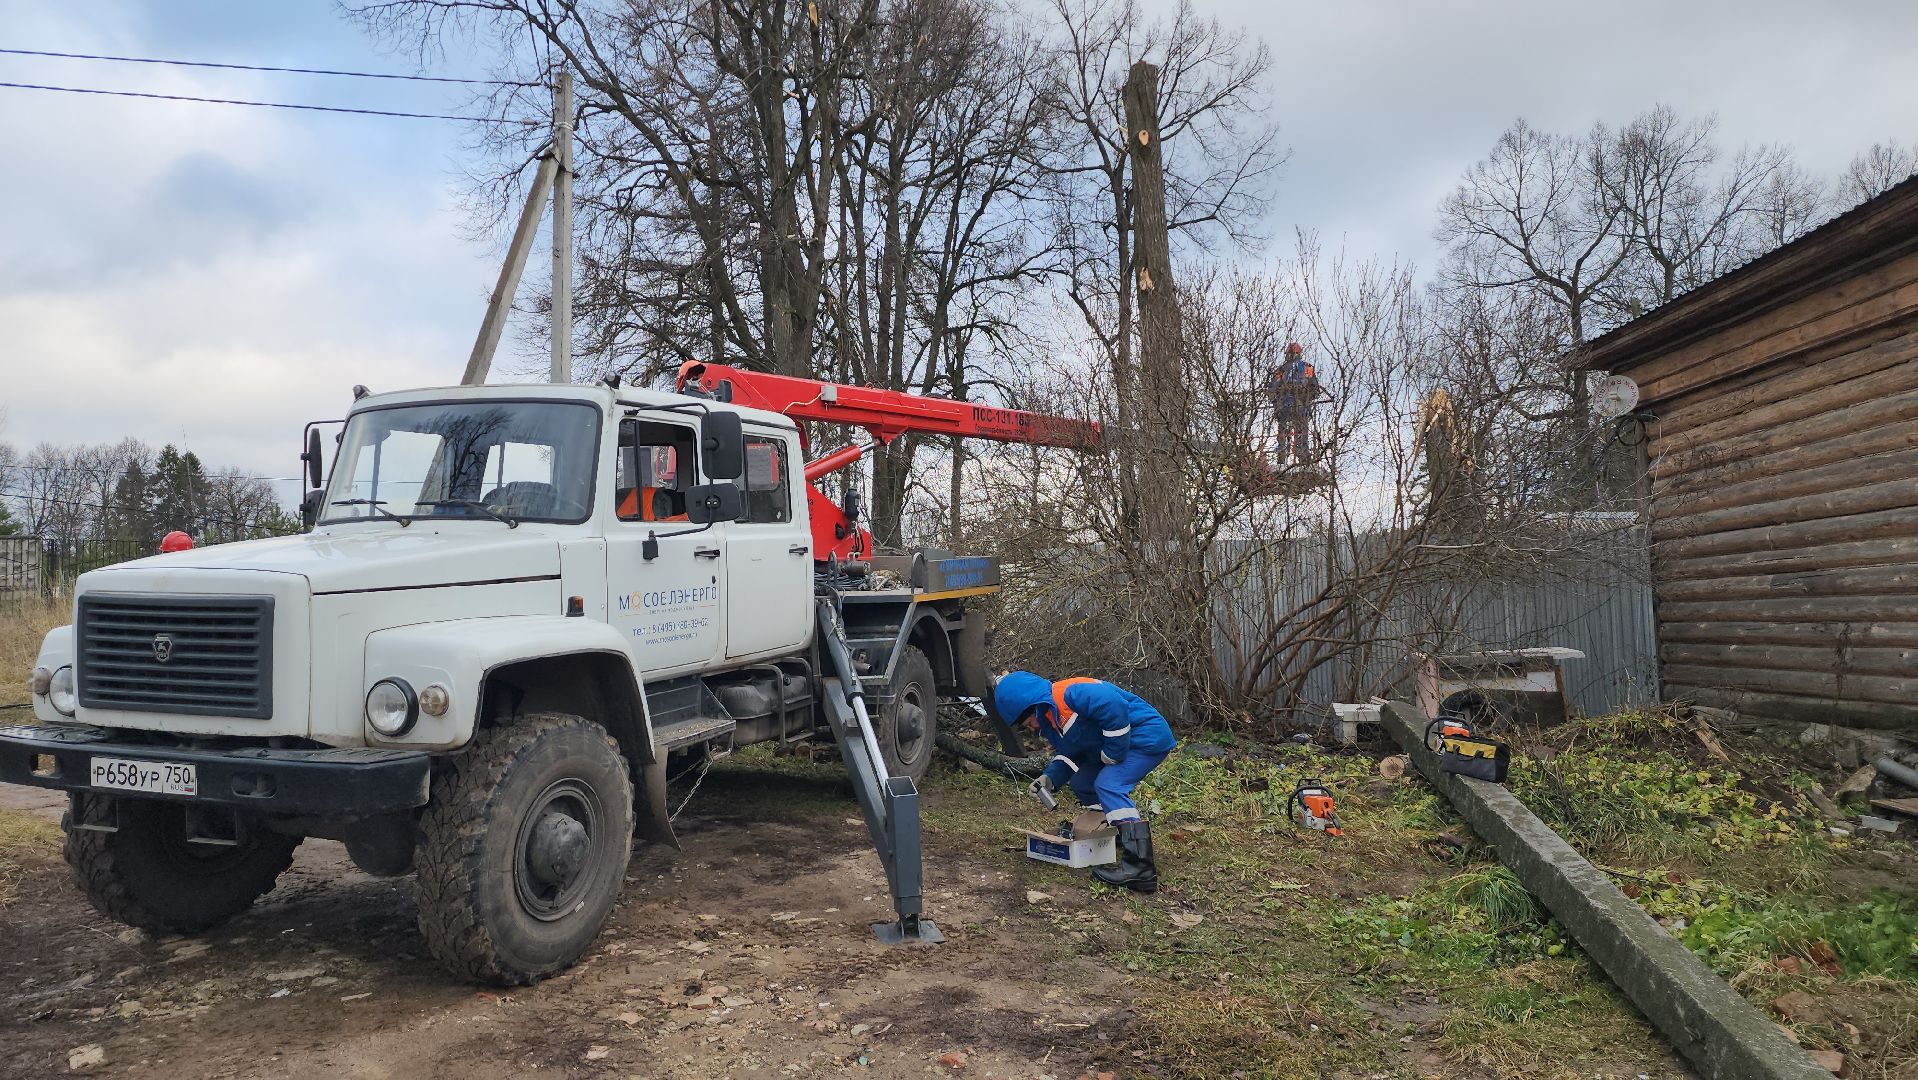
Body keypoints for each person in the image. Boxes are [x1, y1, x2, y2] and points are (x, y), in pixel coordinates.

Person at [993, 671, 1178, 892]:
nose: (1029, 726)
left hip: (1146, 739)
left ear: (1031, 705)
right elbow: (1073, 753)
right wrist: (1050, 778)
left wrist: (1114, 752)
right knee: (1083, 782)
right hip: (1122, 746)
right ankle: (1115, 835)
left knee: (1109, 785)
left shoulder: (1071, 694)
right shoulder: (1049, 718)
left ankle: (1141, 870)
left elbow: (1113, 705)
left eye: (1026, 720)